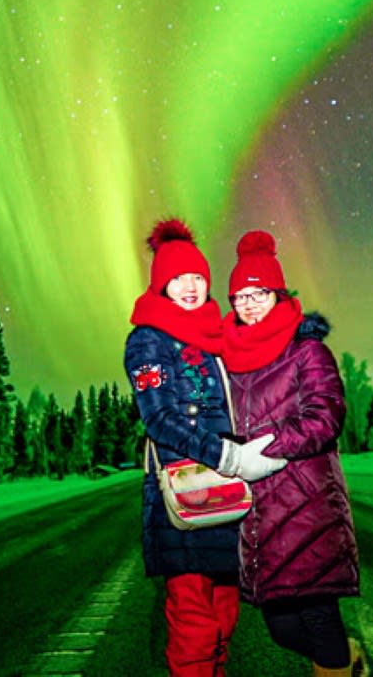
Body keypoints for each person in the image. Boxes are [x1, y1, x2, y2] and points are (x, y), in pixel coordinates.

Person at [126, 219, 288, 676]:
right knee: (193, 619)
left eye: (198, 277)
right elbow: (159, 418)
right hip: (187, 488)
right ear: (161, 284)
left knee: (224, 614)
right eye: (179, 278)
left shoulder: (219, 335)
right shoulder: (149, 339)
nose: (191, 287)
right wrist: (228, 456)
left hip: (230, 493)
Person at [224, 229, 373, 677]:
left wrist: (265, 450)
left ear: (279, 294)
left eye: (259, 293)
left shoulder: (307, 350)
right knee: (281, 629)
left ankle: (342, 666)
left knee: (318, 617)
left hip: (308, 503)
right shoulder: (230, 357)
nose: (250, 304)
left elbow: (325, 416)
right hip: (259, 512)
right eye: (240, 296)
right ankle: (354, 664)